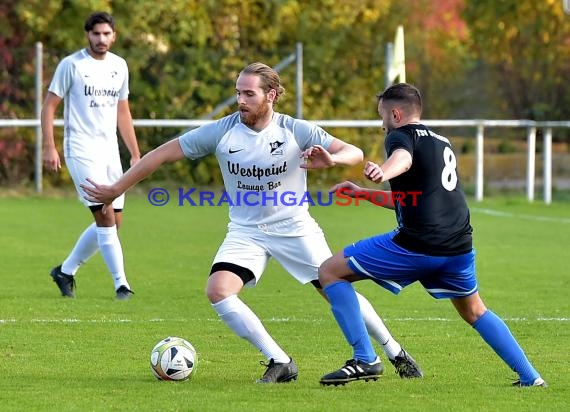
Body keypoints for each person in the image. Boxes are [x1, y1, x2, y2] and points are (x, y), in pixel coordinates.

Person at [81, 62, 423, 383]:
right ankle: (280, 361)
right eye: (238, 93)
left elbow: (355, 152)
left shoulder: (294, 129)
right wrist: (115, 189)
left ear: (270, 96)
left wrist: (332, 158)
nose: (240, 101)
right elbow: (159, 156)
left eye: (249, 94)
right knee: (218, 290)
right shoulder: (221, 132)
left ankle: (394, 352)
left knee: (335, 293)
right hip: (246, 232)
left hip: (294, 227)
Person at [317, 82, 546, 387]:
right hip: (459, 247)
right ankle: (531, 378)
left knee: (330, 272)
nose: (382, 123)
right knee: (476, 310)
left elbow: (403, 158)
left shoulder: (400, 136)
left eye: (382, 116)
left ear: (396, 113)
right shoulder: (441, 141)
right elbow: (410, 198)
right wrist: (363, 194)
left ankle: (365, 359)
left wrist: (384, 171)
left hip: (419, 244)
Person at [41, 11, 140, 300]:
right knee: (105, 215)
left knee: (114, 221)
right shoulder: (71, 65)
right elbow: (49, 107)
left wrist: (135, 153)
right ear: (88, 35)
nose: (101, 39)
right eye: (96, 33)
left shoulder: (119, 66)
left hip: (109, 152)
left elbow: (123, 111)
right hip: (81, 150)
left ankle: (65, 271)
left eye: (106, 34)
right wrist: (49, 146)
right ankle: (122, 285)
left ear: (114, 35)